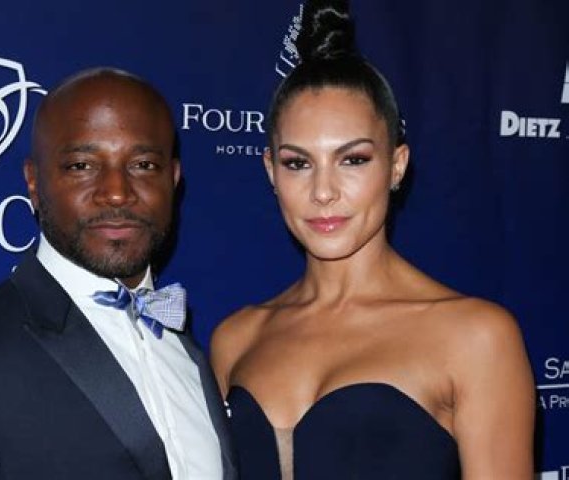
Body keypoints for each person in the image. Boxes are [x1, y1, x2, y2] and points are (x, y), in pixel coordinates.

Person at [0, 68, 236, 480]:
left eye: (143, 164)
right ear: (34, 183)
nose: (116, 192)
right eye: (82, 165)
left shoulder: (186, 347)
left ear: (173, 179)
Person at [210, 1, 535, 479]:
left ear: (396, 166)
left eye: (353, 160)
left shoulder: (475, 337)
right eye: (298, 163)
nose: (323, 192)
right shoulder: (236, 338)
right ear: (271, 171)